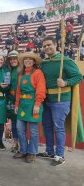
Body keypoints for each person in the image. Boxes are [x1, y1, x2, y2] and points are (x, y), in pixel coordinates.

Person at [38, 36, 83, 166]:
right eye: (45, 46)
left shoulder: (65, 61)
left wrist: (66, 82)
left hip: (61, 100)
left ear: (56, 45)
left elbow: (79, 76)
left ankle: (60, 155)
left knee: (58, 128)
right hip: (46, 100)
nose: (47, 47)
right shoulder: (44, 63)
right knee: (47, 126)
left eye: (49, 45)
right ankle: (50, 151)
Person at [13, 51, 46, 163]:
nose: (28, 61)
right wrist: (17, 104)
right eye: (26, 59)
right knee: (19, 129)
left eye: (30, 59)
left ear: (34, 61)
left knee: (33, 131)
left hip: (33, 104)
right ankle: (23, 150)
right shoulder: (21, 75)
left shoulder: (38, 73)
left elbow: (41, 90)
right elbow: (18, 92)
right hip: (22, 105)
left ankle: (32, 152)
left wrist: (37, 104)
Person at [6, 50, 20, 153]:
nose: (12, 60)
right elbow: (6, 86)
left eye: (15, 58)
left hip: (22, 101)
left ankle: (23, 145)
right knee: (14, 123)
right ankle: (15, 143)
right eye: (11, 59)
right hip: (10, 101)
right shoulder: (7, 71)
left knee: (22, 124)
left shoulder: (23, 70)